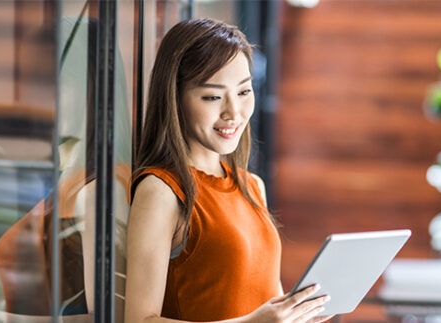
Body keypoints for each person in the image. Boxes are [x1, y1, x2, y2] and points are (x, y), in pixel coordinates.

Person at [125, 18, 331, 323]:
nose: (233, 113)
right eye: (212, 96)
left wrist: (296, 315)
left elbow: (263, 303)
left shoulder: (252, 186)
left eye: (244, 92)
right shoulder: (161, 191)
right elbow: (139, 320)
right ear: (175, 99)